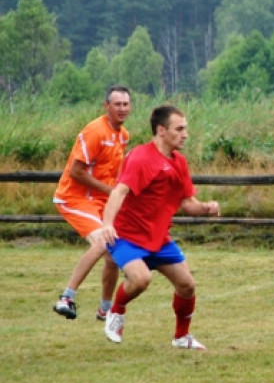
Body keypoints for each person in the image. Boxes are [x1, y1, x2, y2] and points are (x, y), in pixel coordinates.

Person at [87, 104, 220, 350]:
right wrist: (107, 225)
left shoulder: (179, 162)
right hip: (127, 236)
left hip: (158, 239)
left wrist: (206, 208)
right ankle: (116, 312)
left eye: (185, 129)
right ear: (161, 130)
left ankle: (181, 337)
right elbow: (119, 192)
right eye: (179, 129)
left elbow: (187, 204)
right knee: (140, 279)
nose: (185, 134)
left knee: (187, 286)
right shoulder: (141, 158)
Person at [52, 85, 133, 321]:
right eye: (117, 104)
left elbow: (113, 171)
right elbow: (76, 171)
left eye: (126, 104)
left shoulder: (123, 135)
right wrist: (111, 191)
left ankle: (105, 309)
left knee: (112, 253)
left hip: (100, 201)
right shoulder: (95, 131)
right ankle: (66, 297)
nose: (122, 108)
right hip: (74, 198)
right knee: (103, 241)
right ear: (106, 106)